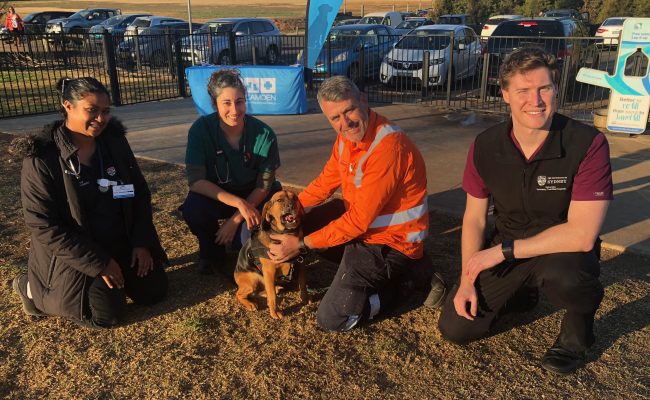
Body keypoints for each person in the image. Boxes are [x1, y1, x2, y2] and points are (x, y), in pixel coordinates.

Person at [437, 47, 613, 374]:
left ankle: (577, 335)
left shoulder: (587, 143)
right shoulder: (485, 146)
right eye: (523, 91)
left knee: (572, 279)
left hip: (561, 247)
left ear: (556, 89)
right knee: (457, 329)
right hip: (508, 239)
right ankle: (521, 295)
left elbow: (583, 234)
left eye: (544, 88)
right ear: (504, 94)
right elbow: (475, 217)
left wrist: (502, 253)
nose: (536, 100)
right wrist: (466, 279)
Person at [268, 76, 446, 332]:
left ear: (363, 100)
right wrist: (289, 215)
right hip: (363, 231)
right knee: (306, 223)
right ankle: (399, 270)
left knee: (332, 319)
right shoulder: (347, 138)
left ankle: (405, 284)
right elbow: (324, 183)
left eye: (349, 110)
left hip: (390, 242)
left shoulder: (388, 147)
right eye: (335, 118)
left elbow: (359, 220)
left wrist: (301, 243)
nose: (345, 122)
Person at [10, 77, 169, 328]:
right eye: (91, 110)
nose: (100, 118)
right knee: (105, 315)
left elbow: (138, 192)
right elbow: (43, 225)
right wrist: (98, 262)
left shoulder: (114, 142)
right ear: (67, 106)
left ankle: (121, 270)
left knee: (154, 292)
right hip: (79, 251)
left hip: (120, 240)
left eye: (105, 111)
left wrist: (141, 242)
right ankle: (30, 287)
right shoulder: (42, 158)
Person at [180, 69, 281, 275]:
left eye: (240, 101)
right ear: (214, 104)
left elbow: (264, 185)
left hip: (255, 194)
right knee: (193, 208)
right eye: (226, 103)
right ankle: (211, 253)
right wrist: (238, 204)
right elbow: (196, 181)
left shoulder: (264, 133)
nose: (234, 110)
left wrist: (235, 220)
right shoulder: (201, 130)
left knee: (240, 241)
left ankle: (245, 248)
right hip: (219, 195)